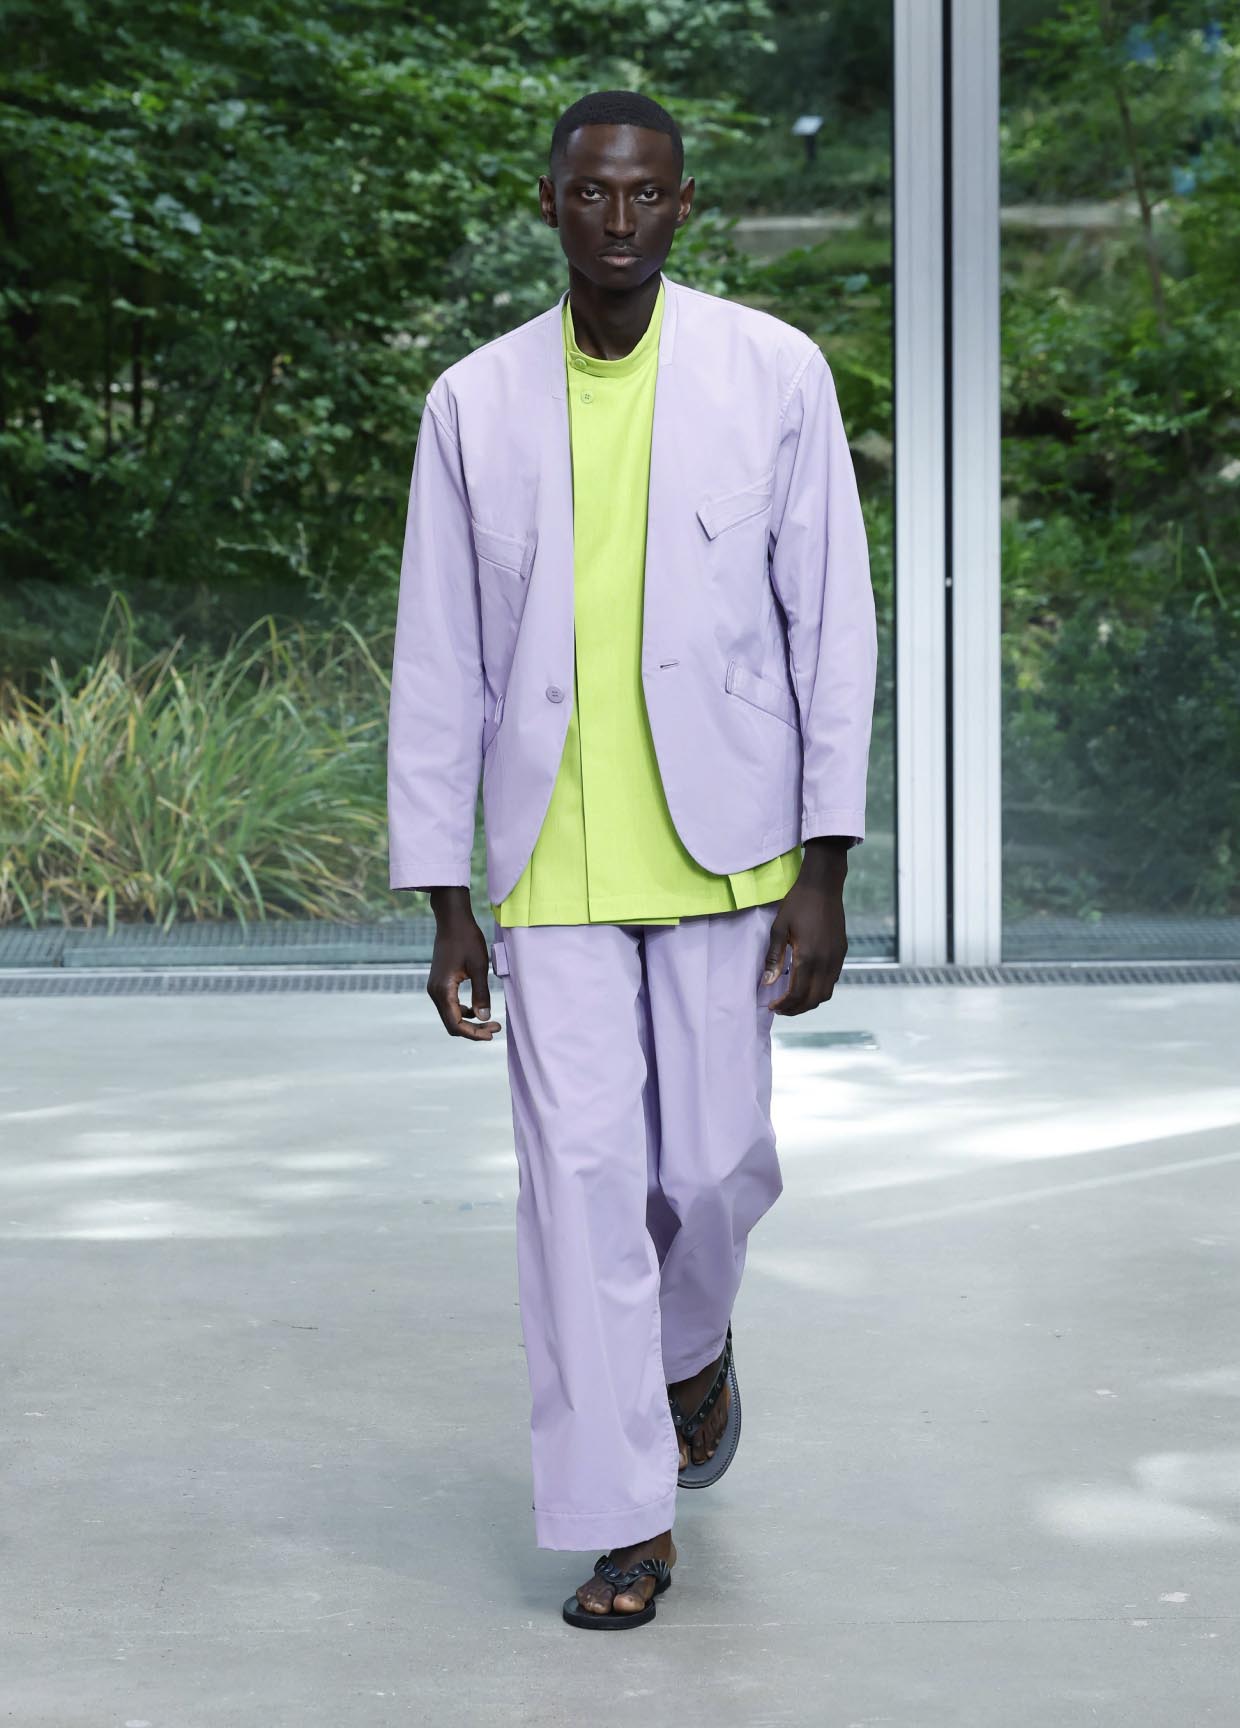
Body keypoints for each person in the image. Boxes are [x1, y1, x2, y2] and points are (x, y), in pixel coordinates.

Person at [387, 88, 877, 1629]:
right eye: (591, 193)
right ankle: (626, 1522)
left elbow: (833, 625)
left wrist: (826, 867)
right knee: (581, 1188)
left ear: (682, 206)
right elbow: (438, 658)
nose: (618, 218)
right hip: (554, 863)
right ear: (549, 203)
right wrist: (446, 900)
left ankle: (691, 1349)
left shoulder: (772, 373)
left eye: (645, 193)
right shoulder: (474, 402)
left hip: (731, 847)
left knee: (713, 1167)